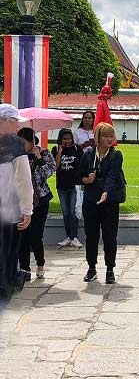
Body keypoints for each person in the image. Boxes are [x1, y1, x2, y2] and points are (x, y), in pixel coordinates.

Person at [78, 123, 124, 284]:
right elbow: (79, 175)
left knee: (110, 236)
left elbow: (112, 176)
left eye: (111, 136)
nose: (109, 139)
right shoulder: (89, 154)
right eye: (106, 136)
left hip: (110, 201)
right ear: (97, 138)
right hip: (91, 201)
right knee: (91, 236)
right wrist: (87, 179)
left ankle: (110, 269)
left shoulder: (116, 155)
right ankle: (91, 267)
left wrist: (105, 192)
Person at [0, 104, 33, 303]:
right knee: (9, 250)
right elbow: (23, 180)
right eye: (14, 122)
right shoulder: (15, 144)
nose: (16, 127)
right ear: (5, 120)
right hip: (8, 208)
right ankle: (6, 284)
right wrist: (27, 209)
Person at [17, 128, 56, 281]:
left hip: (40, 201)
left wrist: (39, 158)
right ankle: (25, 269)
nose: (21, 145)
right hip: (21, 201)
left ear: (32, 141)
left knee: (35, 236)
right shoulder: (18, 157)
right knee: (23, 237)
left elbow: (48, 173)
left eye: (24, 142)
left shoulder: (46, 154)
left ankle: (40, 263)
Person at [51, 128, 84, 248]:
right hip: (62, 186)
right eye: (64, 139)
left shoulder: (77, 149)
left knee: (73, 212)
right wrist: (59, 152)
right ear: (60, 139)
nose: (67, 141)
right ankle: (68, 236)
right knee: (65, 213)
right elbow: (55, 166)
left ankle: (74, 237)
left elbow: (83, 165)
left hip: (75, 186)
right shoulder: (55, 149)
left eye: (69, 139)